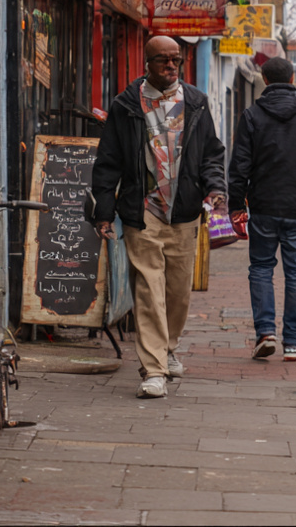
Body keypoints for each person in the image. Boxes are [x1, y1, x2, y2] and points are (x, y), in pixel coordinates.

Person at [90, 36, 225, 399]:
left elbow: (211, 153)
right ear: (147, 64)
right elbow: (108, 162)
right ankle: (153, 369)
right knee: (149, 290)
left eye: (176, 60)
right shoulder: (126, 105)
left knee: (178, 291)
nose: (171, 66)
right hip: (143, 210)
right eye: (163, 60)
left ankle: (169, 347)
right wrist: (103, 212)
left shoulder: (196, 102)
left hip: (184, 210)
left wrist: (215, 187)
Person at [228, 57, 296, 362]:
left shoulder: (251, 115)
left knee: (261, 267)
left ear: (264, 78)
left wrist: (237, 205)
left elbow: (239, 165)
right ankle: (293, 342)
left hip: (263, 203)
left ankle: (265, 332)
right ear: (292, 79)